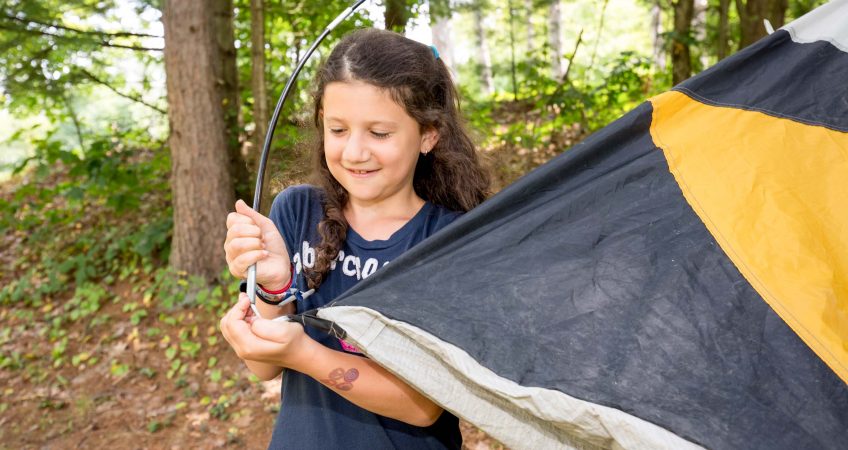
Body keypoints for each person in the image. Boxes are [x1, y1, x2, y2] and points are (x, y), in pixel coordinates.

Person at [219, 28, 490, 449]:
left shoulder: (448, 238)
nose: (354, 152)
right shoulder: (296, 210)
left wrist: (304, 355)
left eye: (379, 133)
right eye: (339, 129)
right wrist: (272, 286)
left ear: (428, 134)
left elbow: (421, 406)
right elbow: (262, 368)